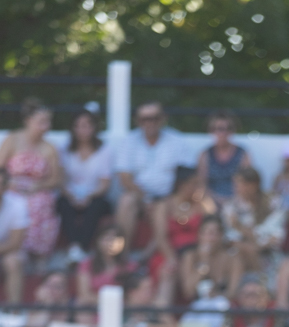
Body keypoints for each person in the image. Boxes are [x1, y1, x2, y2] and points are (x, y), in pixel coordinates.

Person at [115, 102, 193, 254]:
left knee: (162, 208)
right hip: (140, 196)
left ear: (163, 119)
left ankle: (147, 258)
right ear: (138, 121)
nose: (150, 123)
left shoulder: (177, 141)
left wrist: (167, 199)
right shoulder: (128, 142)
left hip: (169, 196)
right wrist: (146, 199)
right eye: (145, 119)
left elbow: (185, 177)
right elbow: (125, 178)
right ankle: (121, 255)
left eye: (154, 118)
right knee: (126, 201)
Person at [0, 98, 61, 263]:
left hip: (37, 191)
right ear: (28, 121)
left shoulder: (50, 148)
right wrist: (8, 184)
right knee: (16, 204)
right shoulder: (12, 140)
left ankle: (36, 253)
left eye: (48, 122)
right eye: (41, 122)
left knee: (39, 204)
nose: (46, 126)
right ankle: (16, 247)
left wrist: (37, 186)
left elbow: (56, 179)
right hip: (9, 189)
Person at [56, 109, 113, 260]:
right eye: (79, 125)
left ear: (94, 127)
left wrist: (89, 196)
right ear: (73, 128)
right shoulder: (65, 149)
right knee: (63, 204)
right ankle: (76, 247)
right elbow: (60, 180)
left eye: (87, 125)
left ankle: (81, 247)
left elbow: (105, 183)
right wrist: (71, 196)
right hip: (70, 196)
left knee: (95, 206)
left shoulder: (103, 150)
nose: (83, 129)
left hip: (95, 196)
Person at [221, 167, 285, 272]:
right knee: (240, 253)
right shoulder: (230, 207)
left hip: (269, 253)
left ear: (254, 185)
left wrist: (241, 228)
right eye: (235, 184)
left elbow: (276, 235)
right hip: (240, 252)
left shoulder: (273, 202)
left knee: (249, 251)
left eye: (240, 184)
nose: (236, 188)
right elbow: (229, 237)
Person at [179, 214, 242, 302]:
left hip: (222, 307)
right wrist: (204, 262)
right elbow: (188, 292)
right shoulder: (191, 256)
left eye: (214, 234)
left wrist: (217, 295)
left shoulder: (232, 259)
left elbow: (233, 293)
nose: (210, 239)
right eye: (207, 233)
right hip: (196, 308)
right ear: (199, 235)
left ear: (221, 236)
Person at [196, 110, 251, 206]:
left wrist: (231, 202)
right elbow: (201, 184)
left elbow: (247, 182)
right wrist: (214, 200)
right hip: (211, 202)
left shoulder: (242, 154)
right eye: (220, 128)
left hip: (237, 202)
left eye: (228, 128)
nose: (224, 132)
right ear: (212, 130)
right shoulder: (205, 155)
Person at [76, 225, 128, 322]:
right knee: (81, 306)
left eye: (116, 239)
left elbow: (132, 297)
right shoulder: (86, 264)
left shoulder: (129, 266)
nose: (111, 243)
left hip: (121, 312)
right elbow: (84, 295)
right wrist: (111, 302)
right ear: (98, 241)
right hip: (94, 311)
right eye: (107, 239)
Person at [0, 165, 30, 306]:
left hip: (9, 252)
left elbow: (15, 243)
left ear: (6, 187)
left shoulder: (18, 204)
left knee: (13, 262)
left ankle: (14, 312)